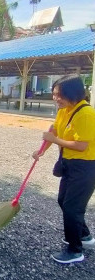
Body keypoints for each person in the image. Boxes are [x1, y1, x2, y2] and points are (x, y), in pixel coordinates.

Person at [32, 74, 95, 264]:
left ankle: (75, 250)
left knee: (72, 207)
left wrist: (54, 140)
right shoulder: (64, 110)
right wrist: (42, 150)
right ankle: (84, 236)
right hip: (69, 163)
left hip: (85, 166)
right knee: (63, 200)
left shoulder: (86, 114)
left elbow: (81, 145)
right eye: (54, 94)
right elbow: (55, 131)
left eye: (59, 95)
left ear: (73, 93)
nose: (55, 99)